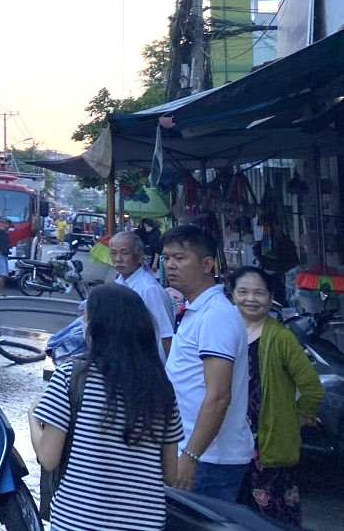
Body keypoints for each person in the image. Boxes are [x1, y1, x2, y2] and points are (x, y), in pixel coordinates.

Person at [30, 283, 184, 531]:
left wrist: (32, 418)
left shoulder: (72, 377)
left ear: (97, 328)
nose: (82, 322)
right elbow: (170, 475)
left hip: (79, 522)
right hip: (145, 524)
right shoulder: (161, 390)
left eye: (86, 316)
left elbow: (48, 459)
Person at [162, 224, 253, 501]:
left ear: (207, 264)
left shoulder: (216, 315)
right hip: (193, 451)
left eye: (180, 258)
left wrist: (190, 455)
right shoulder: (195, 310)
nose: (170, 265)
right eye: (166, 258)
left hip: (209, 459)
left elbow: (218, 396)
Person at [229, 266, 324, 526]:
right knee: (236, 509)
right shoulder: (226, 332)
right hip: (233, 437)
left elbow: (312, 386)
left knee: (274, 512)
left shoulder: (281, 337)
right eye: (243, 292)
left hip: (268, 440)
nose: (251, 299)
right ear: (232, 294)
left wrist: (298, 417)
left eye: (259, 293)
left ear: (271, 297)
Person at [111, 231, 176, 360]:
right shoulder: (119, 283)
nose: (118, 259)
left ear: (139, 255)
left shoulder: (148, 289)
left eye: (125, 253)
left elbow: (167, 336)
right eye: (113, 253)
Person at [0, 219, 13, 295]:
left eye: (9, 224)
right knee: (2, 275)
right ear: (4, 224)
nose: (7, 226)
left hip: (5, 256)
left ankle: (2, 291)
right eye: (6, 224)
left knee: (4, 275)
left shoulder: (7, 234)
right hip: (0, 255)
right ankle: (0, 292)